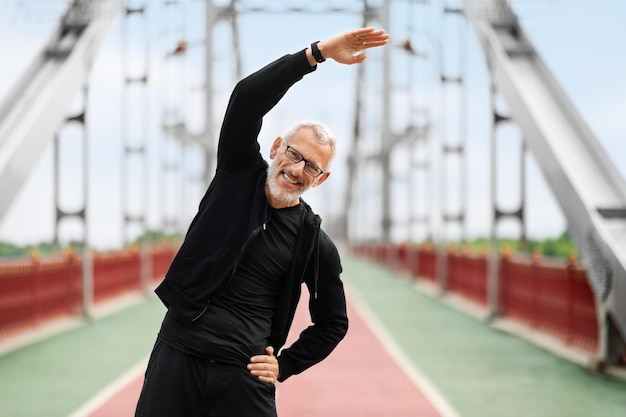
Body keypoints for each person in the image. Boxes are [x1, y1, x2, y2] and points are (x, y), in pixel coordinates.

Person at [135, 27, 389, 417]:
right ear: (275, 148)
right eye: (293, 153)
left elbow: (333, 323)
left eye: (312, 166)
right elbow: (246, 99)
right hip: (178, 356)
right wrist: (315, 54)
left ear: (321, 179)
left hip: (244, 378)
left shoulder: (314, 242)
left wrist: (286, 365)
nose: (297, 169)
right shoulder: (237, 173)